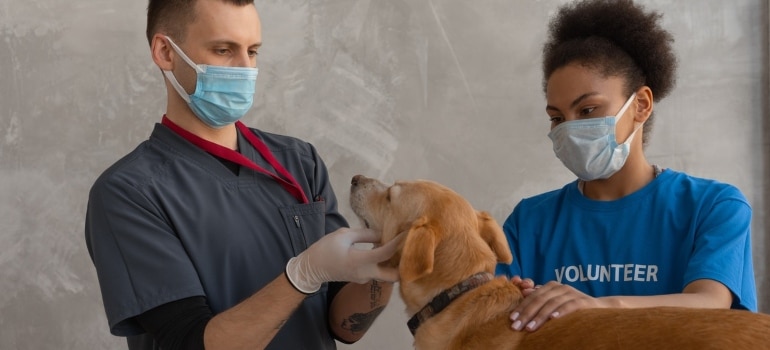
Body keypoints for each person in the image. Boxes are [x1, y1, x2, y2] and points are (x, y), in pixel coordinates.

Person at [84, 0, 401, 349]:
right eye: (223, 50)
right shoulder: (129, 193)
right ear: (165, 52)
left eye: (252, 51)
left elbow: (344, 327)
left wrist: (383, 262)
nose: (245, 68)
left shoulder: (299, 162)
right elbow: (191, 342)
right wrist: (303, 274)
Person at [495, 0, 757, 333]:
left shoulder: (713, 206)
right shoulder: (527, 222)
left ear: (641, 105)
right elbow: (497, 327)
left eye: (587, 110)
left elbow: (710, 302)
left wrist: (597, 307)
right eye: (557, 118)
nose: (568, 129)